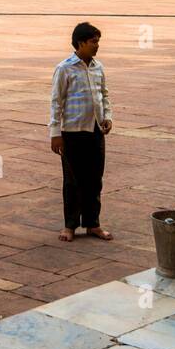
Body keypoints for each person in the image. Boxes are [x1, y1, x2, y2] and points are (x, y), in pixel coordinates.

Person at [50, 22, 113, 243]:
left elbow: (104, 95)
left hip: (95, 130)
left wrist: (108, 117)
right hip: (72, 132)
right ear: (81, 43)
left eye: (98, 41)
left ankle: (92, 223)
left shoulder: (98, 67)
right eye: (93, 42)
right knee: (73, 180)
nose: (97, 46)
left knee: (94, 179)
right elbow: (56, 102)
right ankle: (70, 225)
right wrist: (55, 133)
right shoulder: (65, 68)